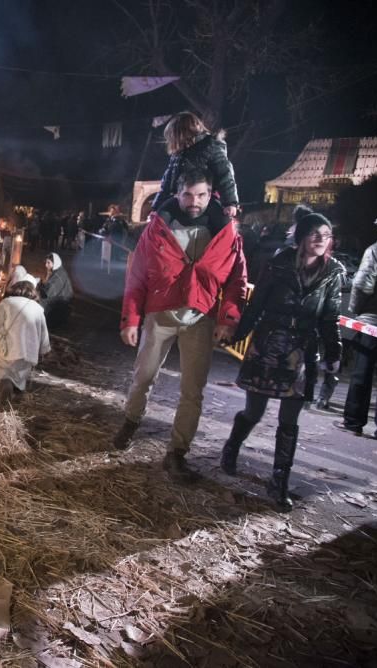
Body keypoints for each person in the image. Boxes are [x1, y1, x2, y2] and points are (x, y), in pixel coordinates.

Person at [114, 169, 247, 482]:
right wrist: (131, 319)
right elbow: (137, 276)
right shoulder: (158, 228)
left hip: (200, 317)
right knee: (143, 375)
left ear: (211, 194)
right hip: (160, 313)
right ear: (177, 194)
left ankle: (177, 451)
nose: (194, 202)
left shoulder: (226, 232)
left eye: (201, 195)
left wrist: (228, 318)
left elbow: (236, 280)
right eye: (188, 195)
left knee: (192, 390)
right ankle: (131, 420)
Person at [220, 205, 343, 511]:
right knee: (254, 412)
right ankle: (231, 448)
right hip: (268, 345)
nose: (320, 239)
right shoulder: (279, 264)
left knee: (289, 421)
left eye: (326, 236)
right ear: (301, 236)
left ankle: (279, 481)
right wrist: (237, 333)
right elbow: (257, 303)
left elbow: (330, 317)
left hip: (302, 352)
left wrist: (333, 353)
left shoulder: (333, 273)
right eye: (315, 233)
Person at [153, 111, 239, 218]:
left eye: (173, 136)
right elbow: (166, 183)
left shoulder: (210, 146)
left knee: (222, 225)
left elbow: (225, 174)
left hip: (204, 200)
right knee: (157, 222)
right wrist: (156, 208)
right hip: (181, 201)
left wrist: (230, 203)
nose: (171, 141)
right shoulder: (177, 155)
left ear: (181, 133)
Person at [0, 275, 50, 404]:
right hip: (28, 353)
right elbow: (43, 334)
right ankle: (17, 391)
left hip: (7, 349)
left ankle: (5, 387)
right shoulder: (39, 310)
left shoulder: (7, 304)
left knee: (4, 373)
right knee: (19, 375)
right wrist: (43, 351)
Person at [339, 217, 377, 436]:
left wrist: (357, 311)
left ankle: (353, 422)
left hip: (372, 322)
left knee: (362, 374)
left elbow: (362, 285)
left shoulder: (375, 251)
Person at [38, 252, 74, 328]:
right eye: (46, 262)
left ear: (55, 263)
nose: (46, 265)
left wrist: (40, 287)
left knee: (39, 301)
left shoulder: (59, 274)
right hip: (59, 299)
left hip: (61, 303)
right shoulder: (56, 271)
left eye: (48, 263)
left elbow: (48, 293)